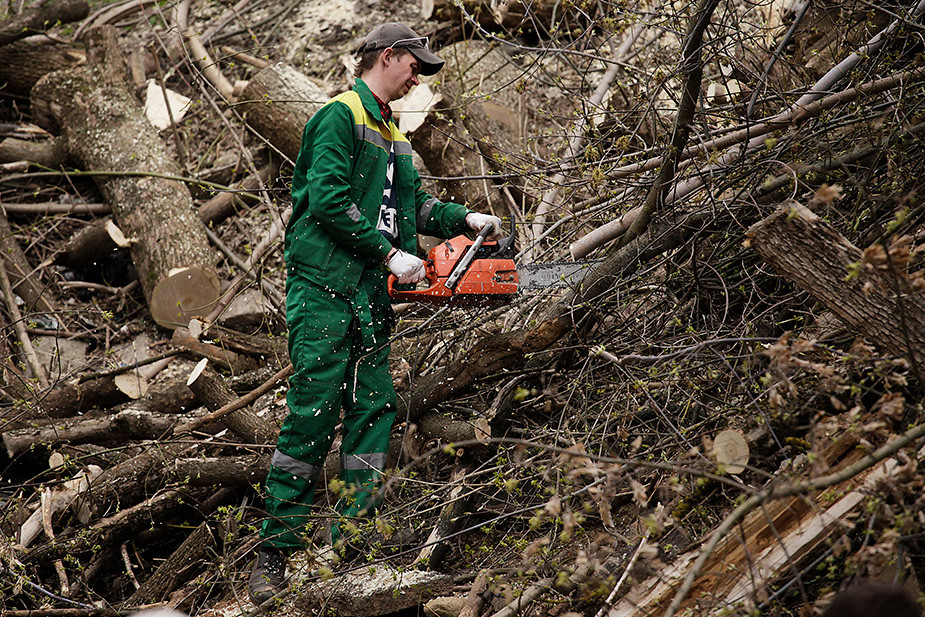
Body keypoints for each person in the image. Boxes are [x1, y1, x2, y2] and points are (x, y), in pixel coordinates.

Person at [248, 22, 502, 604]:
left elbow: (410, 205)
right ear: (387, 56)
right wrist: (391, 253)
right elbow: (329, 200)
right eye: (415, 65)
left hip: (367, 294)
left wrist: (462, 220)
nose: (418, 78)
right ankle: (275, 555)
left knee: (372, 412)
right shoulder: (339, 116)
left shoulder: (392, 129)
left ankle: (356, 543)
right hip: (323, 289)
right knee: (312, 415)